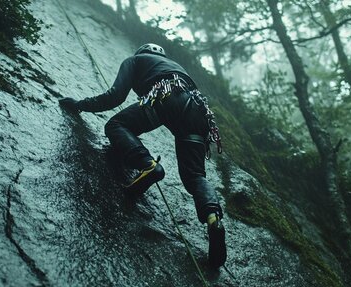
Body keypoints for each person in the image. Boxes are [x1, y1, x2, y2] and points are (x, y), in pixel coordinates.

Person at [59, 43, 226, 267]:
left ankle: (147, 164)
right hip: (197, 111)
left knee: (116, 125)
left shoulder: (135, 61)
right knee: (195, 176)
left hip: (166, 97)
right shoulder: (175, 66)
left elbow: (115, 97)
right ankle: (213, 219)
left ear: (141, 52)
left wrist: (80, 105)